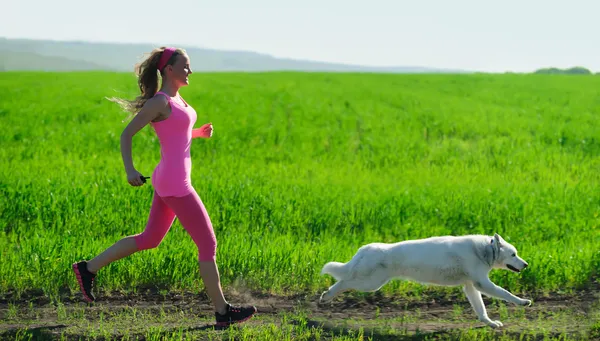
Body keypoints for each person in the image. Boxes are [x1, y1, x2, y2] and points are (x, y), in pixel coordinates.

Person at [72, 46, 256, 326]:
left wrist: (197, 133)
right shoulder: (159, 102)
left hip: (166, 179)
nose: (190, 71)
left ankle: (87, 268)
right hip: (176, 184)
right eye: (185, 67)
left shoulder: (176, 99)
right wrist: (130, 170)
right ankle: (223, 312)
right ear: (169, 70)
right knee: (208, 244)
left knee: (150, 239)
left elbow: (175, 133)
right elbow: (126, 135)